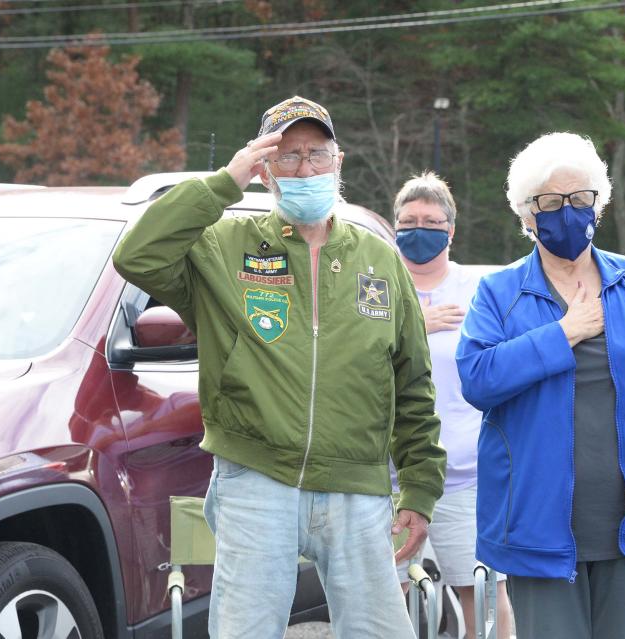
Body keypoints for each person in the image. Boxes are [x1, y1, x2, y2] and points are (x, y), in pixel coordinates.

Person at [112, 96, 446, 639]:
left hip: (358, 489)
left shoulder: (379, 258)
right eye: (286, 156)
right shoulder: (224, 246)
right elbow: (138, 255)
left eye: (317, 153)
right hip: (255, 480)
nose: (305, 168)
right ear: (263, 169)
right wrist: (224, 181)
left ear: (340, 160)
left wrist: (419, 488)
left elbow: (412, 381)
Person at [455, 132, 625, 639]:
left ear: (598, 206)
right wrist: (563, 333)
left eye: (580, 198)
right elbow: (477, 378)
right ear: (525, 214)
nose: (568, 211)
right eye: (550, 202)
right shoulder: (499, 294)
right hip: (536, 529)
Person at [391, 172, 514, 638]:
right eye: (408, 220)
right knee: (388, 594)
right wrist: (412, 326)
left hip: (465, 475)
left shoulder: (480, 288)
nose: (418, 229)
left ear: (451, 230)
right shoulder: (374, 286)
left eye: (430, 220)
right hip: (388, 476)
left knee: (482, 592)